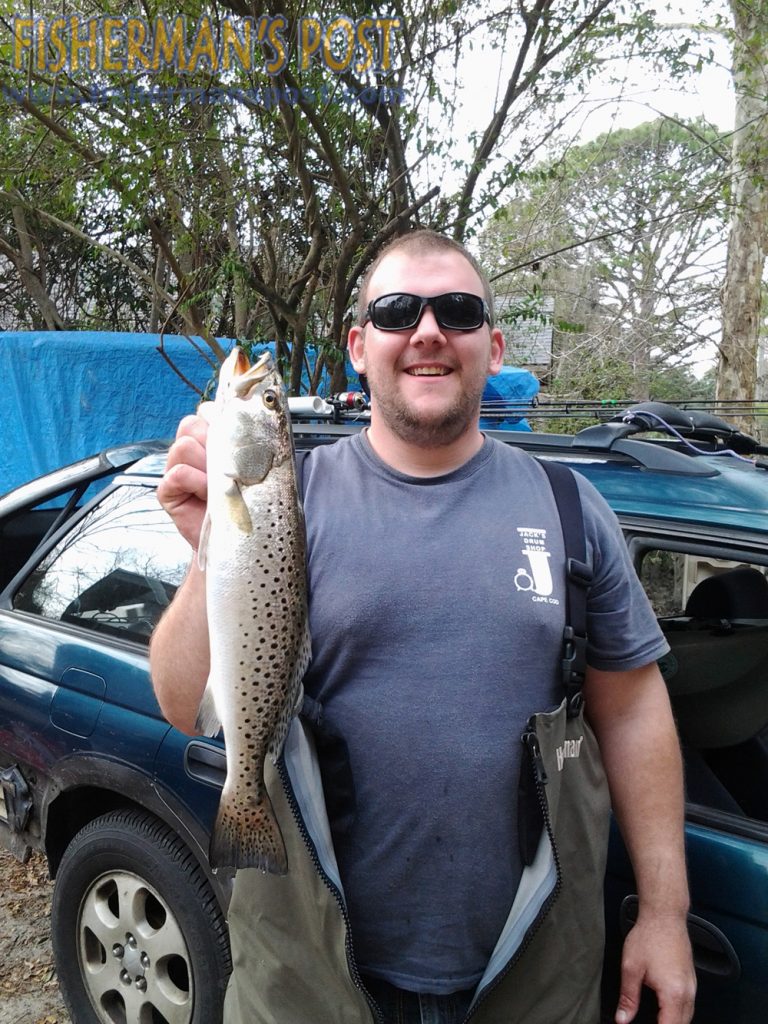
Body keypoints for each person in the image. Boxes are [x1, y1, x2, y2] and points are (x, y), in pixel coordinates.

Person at [150, 229, 696, 1024]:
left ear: (494, 345)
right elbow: (178, 702)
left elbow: (636, 712)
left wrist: (665, 913)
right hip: (311, 984)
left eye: (459, 311)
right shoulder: (287, 500)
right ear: (359, 347)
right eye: (399, 310)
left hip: (532, 979)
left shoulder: (572, 510)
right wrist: (211, 552)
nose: (429, 331)